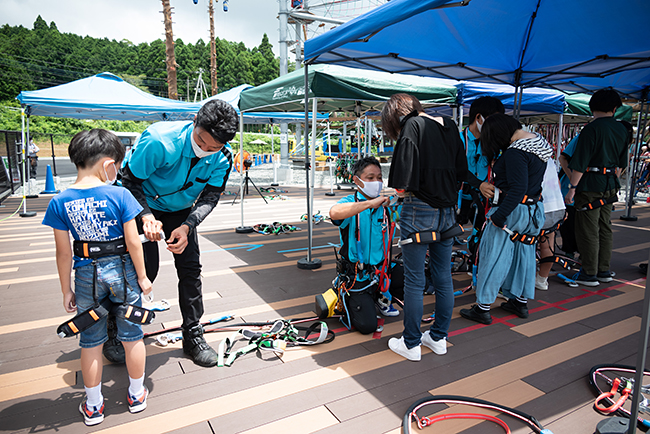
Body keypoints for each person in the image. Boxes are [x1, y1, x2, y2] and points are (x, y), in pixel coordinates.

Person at [42, 129, 152, 426]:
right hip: (123, 271)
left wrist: (66, 289)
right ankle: (136, 393)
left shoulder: (60, 201)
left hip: (86, 273)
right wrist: (142, 277)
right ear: (108, 164)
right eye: (116, 164)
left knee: (90, 340)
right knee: (132, 335)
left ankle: (93, 405)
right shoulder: (120, 194)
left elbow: (63, 253)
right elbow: (133, 241)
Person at [120, 99, 238, 367]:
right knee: (143, 270)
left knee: (190, 269)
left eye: (213, 148)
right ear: (195, 121)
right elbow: (129, 181)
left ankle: (193, 334)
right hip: (143, 202)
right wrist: (146, 216)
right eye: (200, 142)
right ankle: (120, 329)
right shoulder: (159, 140)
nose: (204, 151)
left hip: (181, 211)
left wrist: (188, 226)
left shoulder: (223, 157)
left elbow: (210, 196)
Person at [382, 93, 467, 361]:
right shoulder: (449, 124)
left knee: (415, 280)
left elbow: (401, 183)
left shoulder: (412, 126)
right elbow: (461, 171)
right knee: (443, 277)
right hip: (447, 212)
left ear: (397, 115)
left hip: (418, 210)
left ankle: (411, 343)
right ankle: (438, 338)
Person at [460, 114, 550, 324]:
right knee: (525, 256)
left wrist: (499, 217)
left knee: (493, 257)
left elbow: (518, 189)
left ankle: (482, 308)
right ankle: (519, 301)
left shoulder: (515, 153)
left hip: (511, 210)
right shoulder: (538, 142)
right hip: (533, 210)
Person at [564, 90, 628, 286]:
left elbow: (579, 163)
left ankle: (589, 272)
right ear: (615, 108)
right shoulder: (622, 130)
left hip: (590, 185)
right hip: (610, 185)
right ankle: (603, 270)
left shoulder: (591, 129)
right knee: (604, 227)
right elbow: (621, 164)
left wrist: (572, 188)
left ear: (592, 107)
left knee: (587, 229)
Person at [329, 156, 397, 334]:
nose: (377, 182)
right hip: (357, 275)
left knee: (414, 279)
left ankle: (379, 295)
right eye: (370, 178)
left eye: (380, 177)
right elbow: (334, 213)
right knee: (367, 326)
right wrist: (369, 204)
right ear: (357, 180)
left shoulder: (385, 207)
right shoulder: (350, 203)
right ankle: (345, 295)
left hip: (380, 271)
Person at [458, 96, 505, 228]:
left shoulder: (494, 144)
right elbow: (455, 167)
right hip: (459, 198)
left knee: (481, 238)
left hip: (483, 200)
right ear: (478, 117)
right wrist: (479, 184)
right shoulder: (457, 140)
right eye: (492, 120)